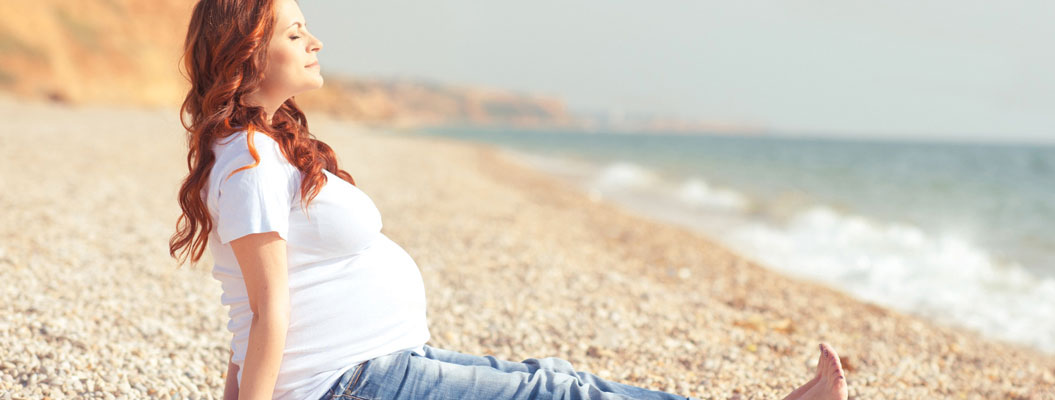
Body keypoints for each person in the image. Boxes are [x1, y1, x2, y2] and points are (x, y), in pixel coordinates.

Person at [166, 1, 849, 399]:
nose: (315, 41)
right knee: (558, 392)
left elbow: (244, 318)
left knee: (556, 380)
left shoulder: (264, 148)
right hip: (352, 383)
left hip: (376, 367)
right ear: (248, 56)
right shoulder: (251, 164)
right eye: (294, 34)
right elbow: (265, 313)